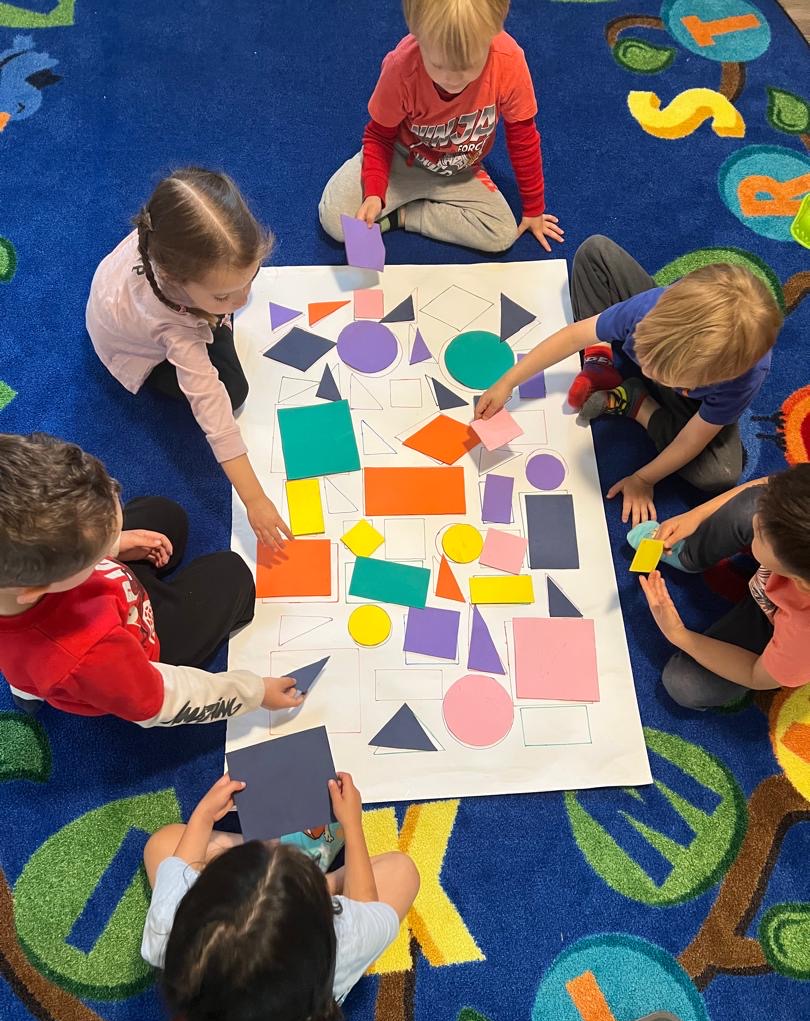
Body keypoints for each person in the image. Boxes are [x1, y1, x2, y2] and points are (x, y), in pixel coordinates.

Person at [475, 236, 783, 524]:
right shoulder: (646, 312)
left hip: (694, 409)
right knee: (596, 252)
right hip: (669, 335)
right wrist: (507, 382)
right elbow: (572, 336)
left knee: (720, 475)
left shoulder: (742, 377)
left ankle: (638, 404)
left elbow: (694, 437)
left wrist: (643, 478)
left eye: (663, 375)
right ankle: (599, 359)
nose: (648, 374)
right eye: (645, 363)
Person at [0, 433, 299, 725]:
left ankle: (27, 685)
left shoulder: (16, 579)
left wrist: (115, 546)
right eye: (96, 554)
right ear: (34, 587)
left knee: (165, 515)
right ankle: (30, 687)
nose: (111, 543)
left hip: (107, 601)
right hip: (143, 649)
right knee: (231, 574)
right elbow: (167, 699)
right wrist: (254, 692)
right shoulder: (87, 656)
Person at [86, 166, 290, 549]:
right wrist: (256, 500)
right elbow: (214, 415)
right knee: (233, 391)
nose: (242, 300)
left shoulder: (170, 234)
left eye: (250, 278)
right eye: (223, 296)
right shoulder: (173, 329)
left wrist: (217, 301)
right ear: (175, 277)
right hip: (131, 348)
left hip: (124, 301)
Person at [141, 771, 419, 1021]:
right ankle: (323, 879)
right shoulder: (338, 949)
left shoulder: (170, 930)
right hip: (307, 992)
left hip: (261, 997)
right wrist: (352, 825)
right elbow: (364, 910)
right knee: (403, 871)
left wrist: (203, 816)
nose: (270, 842)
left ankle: (288, 871)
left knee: (162, 844)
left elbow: (177, 869)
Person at [318, 0, 563, 255]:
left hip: (460, 169)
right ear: (417, 35)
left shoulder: (508, 61)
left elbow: (523, 137)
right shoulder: (401, 67)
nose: (452, 81)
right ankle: (398, 202)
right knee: (336, 221)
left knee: (501, 233)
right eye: (437, 65)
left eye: (467, 67)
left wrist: (534, 208)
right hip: (402, 160)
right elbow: (379, 136)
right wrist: (374, 192)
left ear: (493, 35)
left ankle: (404, 215)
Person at [629, 465, 810, 709]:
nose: (756, 519)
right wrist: (695, 516)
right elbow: (767, 486)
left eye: (760, 535)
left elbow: (756, 675)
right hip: (785, 583)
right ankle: (689, 554)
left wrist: (678, 634)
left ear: (799, 581)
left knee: (686, 683)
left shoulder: (803, 635)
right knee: (754, 501)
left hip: (778, 626)